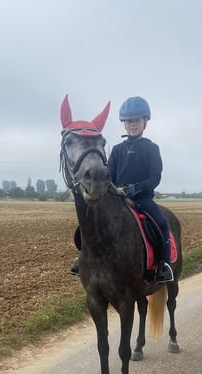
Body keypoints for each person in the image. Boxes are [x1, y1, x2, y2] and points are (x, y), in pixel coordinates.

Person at [70, 96, 173, 282]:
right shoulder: (117, 149)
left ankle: (163, 265)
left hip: (142, 199)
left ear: (145, 122)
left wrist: (137, 188)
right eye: (129, 121)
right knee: (87, 225)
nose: (133, 124)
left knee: (162, 224)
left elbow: (155, 177)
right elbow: (110, 173)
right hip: (117, 197)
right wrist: (111, 187)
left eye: (137, 120)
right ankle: (84, 258)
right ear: (124, 124)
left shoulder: (151, 149)